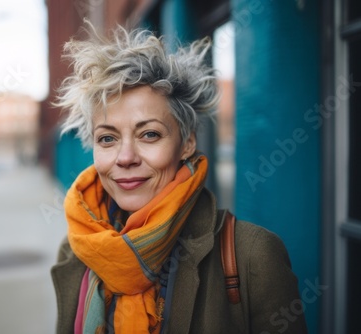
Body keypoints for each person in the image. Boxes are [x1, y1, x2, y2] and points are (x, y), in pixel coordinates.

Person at [51, 22, 308, 334]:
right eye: (107, 139)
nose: (126, 157)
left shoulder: (253, 256)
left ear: (187, 143)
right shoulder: (78, 247)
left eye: (149, 134)